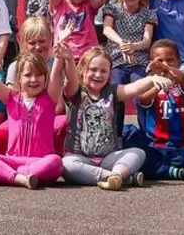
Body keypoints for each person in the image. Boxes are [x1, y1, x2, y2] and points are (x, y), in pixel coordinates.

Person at [0, 33, 66, 188]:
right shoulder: (11, 97)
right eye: (28, 75)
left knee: (56, 161)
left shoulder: (49, 98)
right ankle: (18, 178)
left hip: (39, 162)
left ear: (45, 78)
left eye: (39, 75)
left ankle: (6, 175)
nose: (34, 79)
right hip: (12, 160)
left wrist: (61, 46)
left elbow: (56, 71)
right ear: (19, 78)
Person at [60, 46, 153, 189]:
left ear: (110, 73)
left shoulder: (112, 92)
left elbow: (134, 87)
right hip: (79, 157)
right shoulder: (76, 92)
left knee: (138, 153)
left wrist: (154, 79)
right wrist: (69, 59)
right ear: (83, 70)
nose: (98, 74)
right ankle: (115, 177)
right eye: (93, 69)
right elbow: (71, 78)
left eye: (104, 71)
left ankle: (115, 175)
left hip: (108, 158)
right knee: (67, 166)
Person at [128, 39, 184, 181]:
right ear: (151, 63)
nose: (165, 64)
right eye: (160, 61)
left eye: (170, 60)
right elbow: (143, 99)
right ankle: (178, 172)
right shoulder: (147, 85)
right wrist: (157, 84)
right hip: (157, 147)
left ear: (179, 62)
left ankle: (175, 169)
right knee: (132, 142)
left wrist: (167, 70)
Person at [99, 0, 157, 89]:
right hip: (116, 61)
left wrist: (133, 46)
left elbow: (147, 41)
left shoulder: (148, 14)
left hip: (139, 62)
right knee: (114, 89)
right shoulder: (112, 9)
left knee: (140, 89)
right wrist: (122, 43)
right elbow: (107, 29)